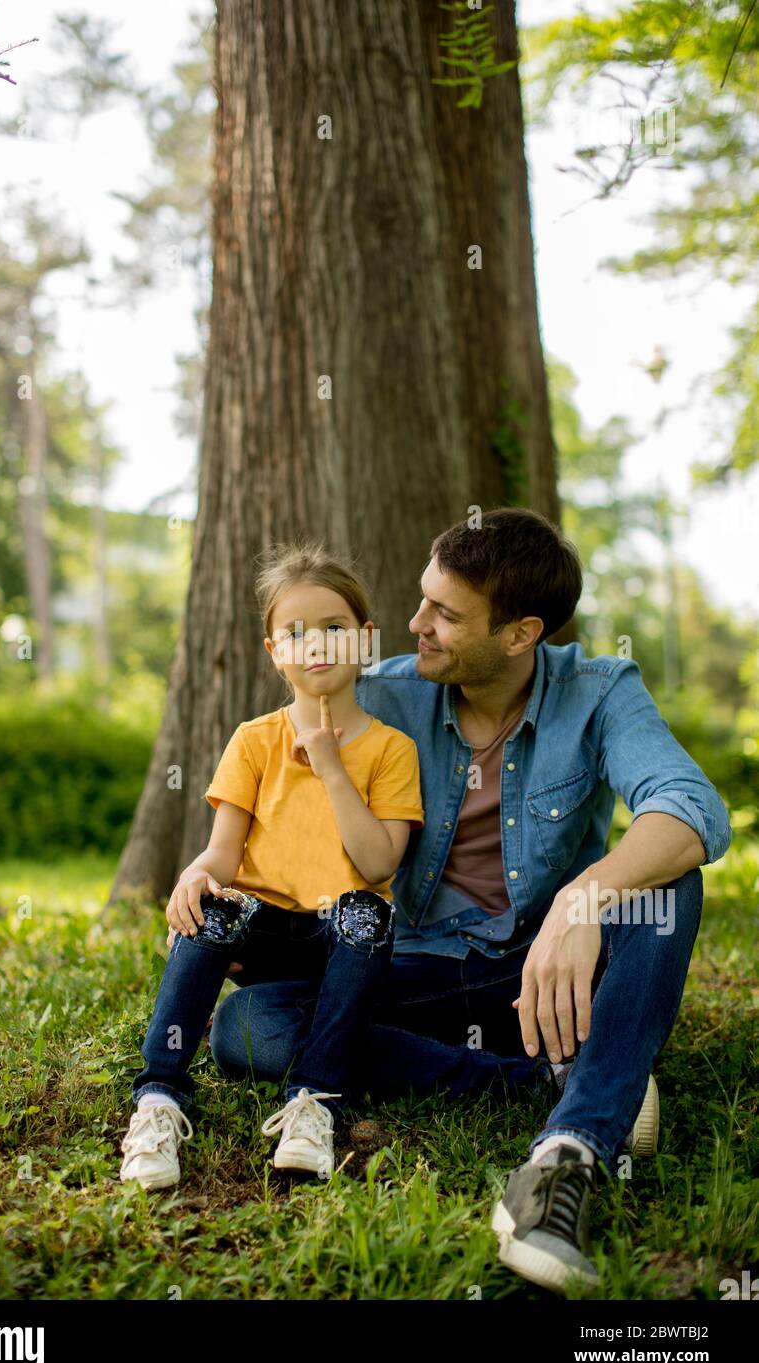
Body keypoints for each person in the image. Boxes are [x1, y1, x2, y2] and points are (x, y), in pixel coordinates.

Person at [210, 508, 731, 1294]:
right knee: (246, 1025)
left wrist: (582, 899)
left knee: (666, 887)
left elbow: (692, 809)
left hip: (533, 969)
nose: (416, 625)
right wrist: (239, 895)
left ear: (521, 634)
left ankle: (569, 1157)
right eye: (424, 601)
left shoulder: (599, 691)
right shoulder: (378, 695)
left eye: (445, 615)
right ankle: (547, 1077)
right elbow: (278, 808)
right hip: (405, 965)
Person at [120, 541, 549, 1191]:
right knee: (213, 906)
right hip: (265, 933)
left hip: (344, 941)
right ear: (274, 653)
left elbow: (378, 863)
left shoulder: (389, 750)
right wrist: (195, 873)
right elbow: (224, 852)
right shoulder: (254, 740)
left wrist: (329, 766)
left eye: (333, 628)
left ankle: (314, 1101)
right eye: (294, 632)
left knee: (363, 910)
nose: (315, 643)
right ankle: (159, 1096)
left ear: (365, 640)